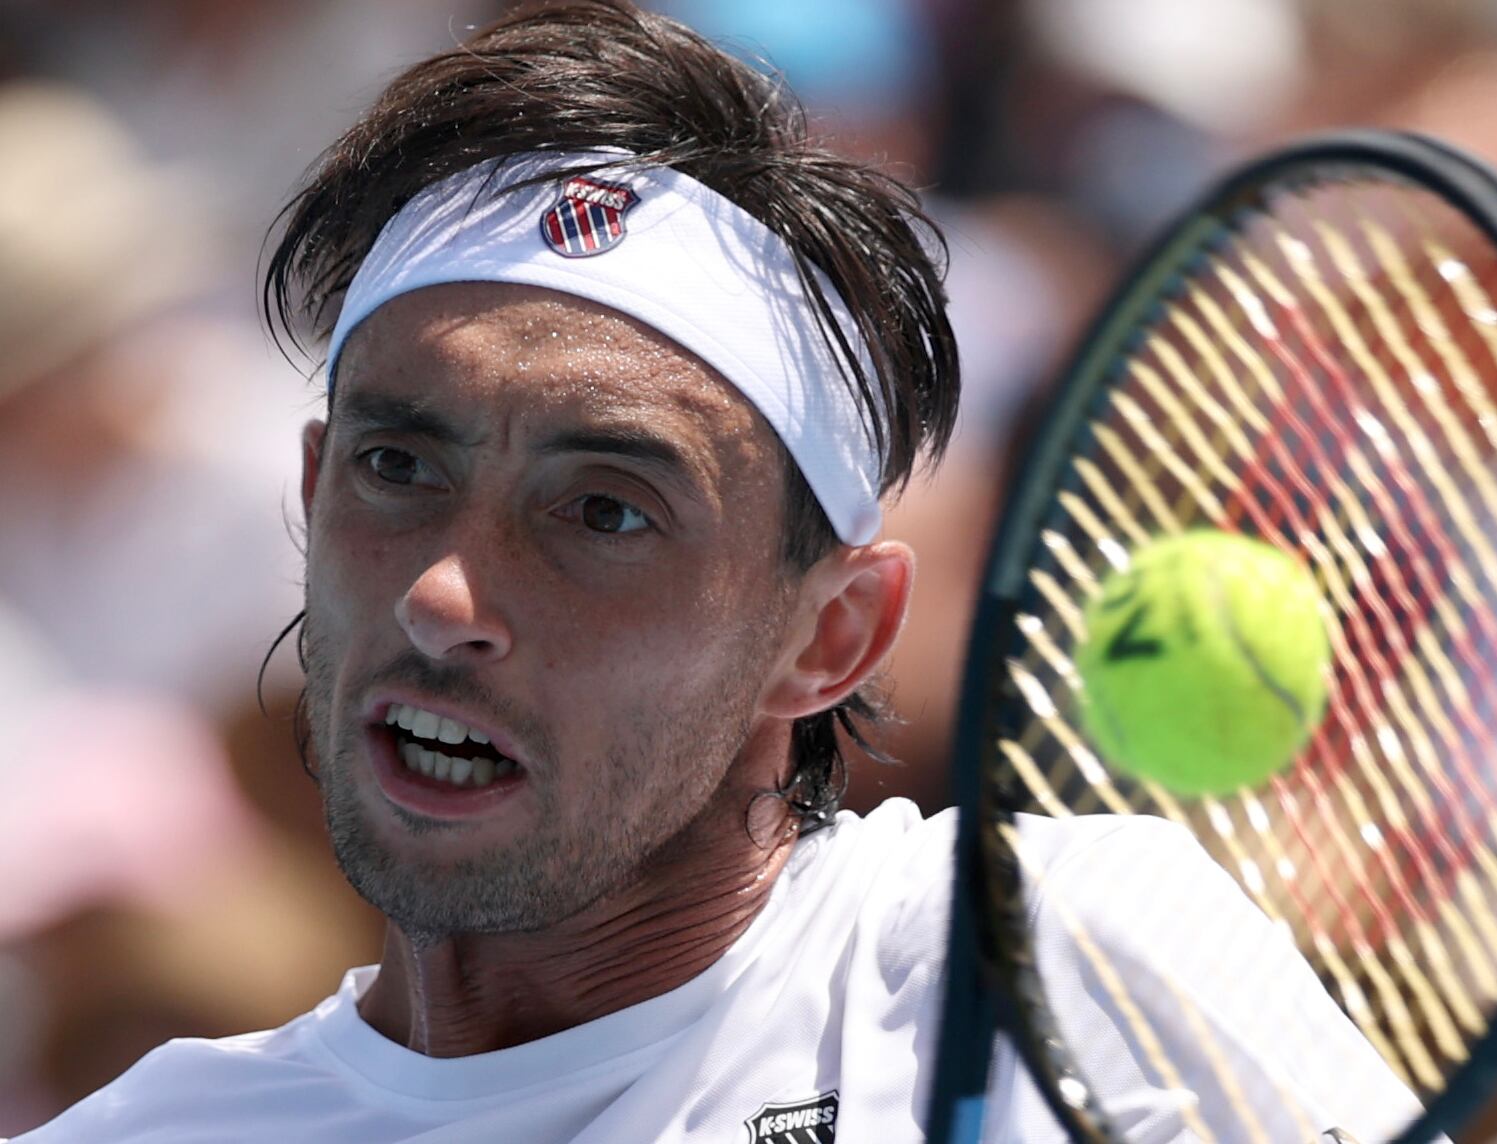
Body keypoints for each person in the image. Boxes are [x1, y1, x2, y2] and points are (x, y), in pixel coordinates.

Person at [13, 4, 1426, 1140]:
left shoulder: (1058, 957)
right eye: (399, 468)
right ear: (312, 494)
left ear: (832, 633)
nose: (443, 595)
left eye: (606, 512)